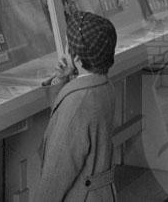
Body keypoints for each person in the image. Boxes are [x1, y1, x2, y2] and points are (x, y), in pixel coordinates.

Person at [34, 11, 117, 201]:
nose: (65, 49)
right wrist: (62, 79)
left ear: (78, 59)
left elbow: (57, 173)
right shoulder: (104, 85)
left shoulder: (77, 103)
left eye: (67, 45)